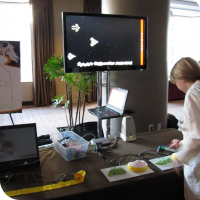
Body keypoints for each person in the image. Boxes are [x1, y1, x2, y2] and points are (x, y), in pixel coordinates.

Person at [169, 57, 200, 200]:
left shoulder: (193, 94)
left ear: (181, 78)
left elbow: (197, 137)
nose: (176, 85)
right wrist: (183, 142)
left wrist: (180, 157)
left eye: (175, 82)